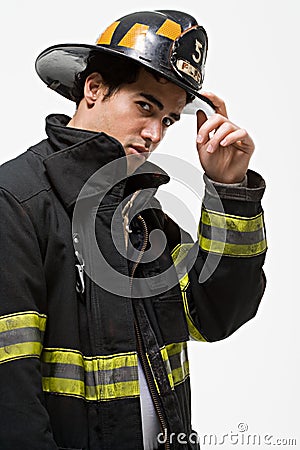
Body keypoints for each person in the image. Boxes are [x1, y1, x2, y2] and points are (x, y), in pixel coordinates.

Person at [0, 9, 267, 450]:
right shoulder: (17, 203)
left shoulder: (140, 214)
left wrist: (228, 189)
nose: (154, 133)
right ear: (94, 88)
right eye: (145, 106)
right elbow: (10, 400)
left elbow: (217, 315)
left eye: (167, 120)